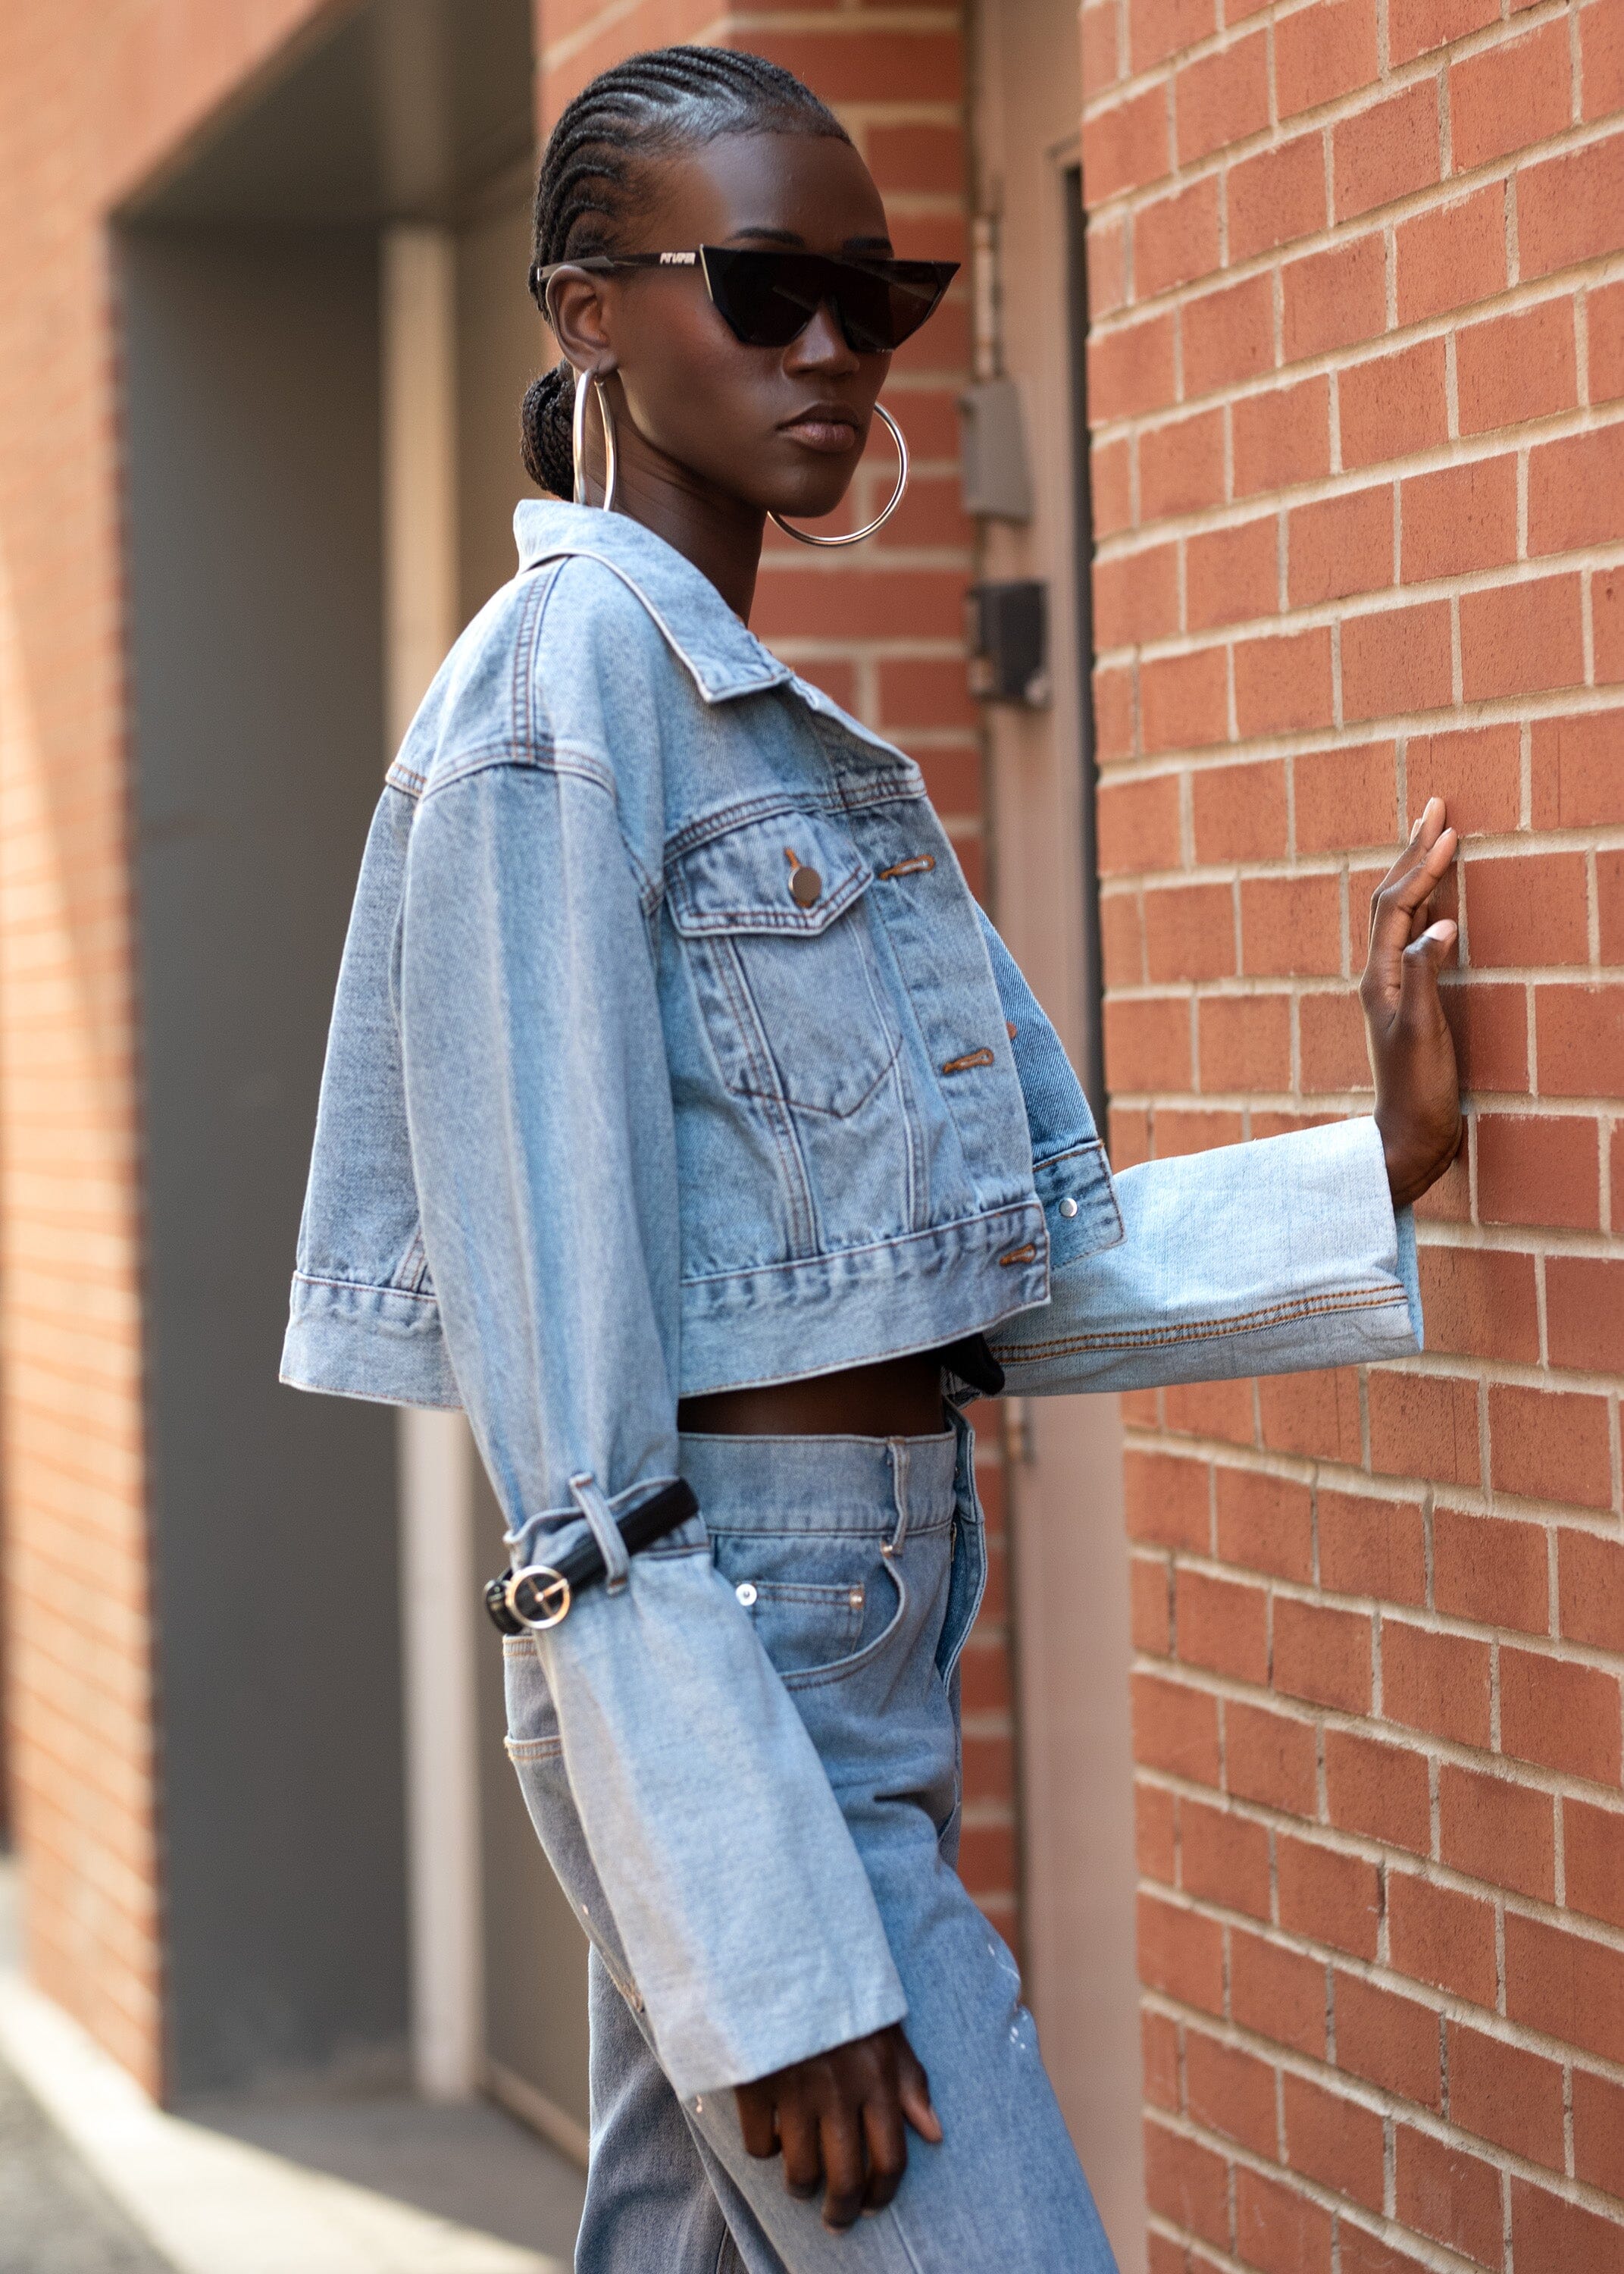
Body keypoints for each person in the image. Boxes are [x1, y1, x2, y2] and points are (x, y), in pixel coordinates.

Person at [282, 45, 1462, 2274]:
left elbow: (981, 1279)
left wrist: (1368, 1166)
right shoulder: (560, 707)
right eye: (763, 285)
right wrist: (762, 1923)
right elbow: (566, 1424)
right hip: (744, 1674)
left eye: (874, 293)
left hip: (849, 1633)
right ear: (585, 312)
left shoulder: (770, 731)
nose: (831, 345)